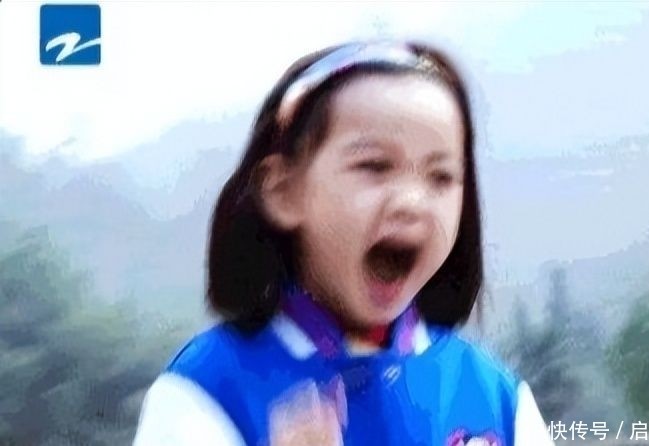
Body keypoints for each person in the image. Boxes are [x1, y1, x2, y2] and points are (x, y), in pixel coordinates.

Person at [132, 40, 554, 446]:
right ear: (283, 191)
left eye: (441, 177)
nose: (412, 202)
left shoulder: (495, 397)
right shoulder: (207, 389)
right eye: (374, 166)